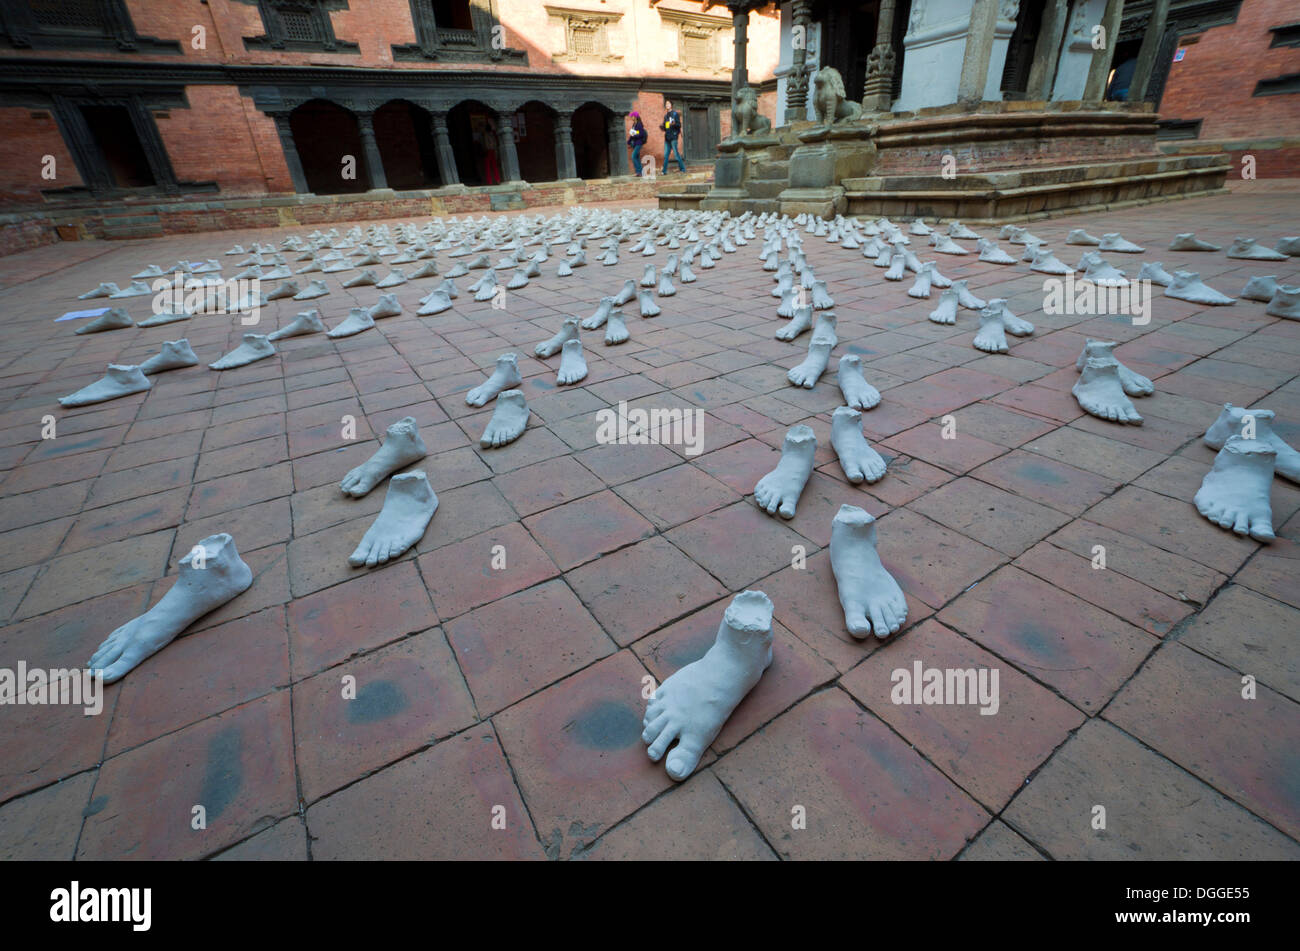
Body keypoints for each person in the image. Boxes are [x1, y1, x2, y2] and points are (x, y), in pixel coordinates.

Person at [661, 100, 686, 174]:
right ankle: (664, 171)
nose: (667, 105)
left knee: (676, 154)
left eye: (668, 103)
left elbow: (678, 125)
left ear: (671, 105)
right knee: (666, 155)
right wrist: (663, 127)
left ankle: (682, 169)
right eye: (666, 104)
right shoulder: (666, 116)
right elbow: (666, 127)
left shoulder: (675, 114)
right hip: (667, 137)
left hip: (674, 136)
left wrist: (674, 123)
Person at [627, 112, 648, 176]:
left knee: (633, 156)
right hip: (635, 143)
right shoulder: (634, 124)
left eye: (632, 116)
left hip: (639, 142)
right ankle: (641, 172)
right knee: (637, 157)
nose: (631, 118)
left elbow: (640, 134)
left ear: (635, 117)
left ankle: (638, 172)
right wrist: (629, 141)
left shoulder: (639, 124)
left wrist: (634, 135)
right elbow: (632, 134)